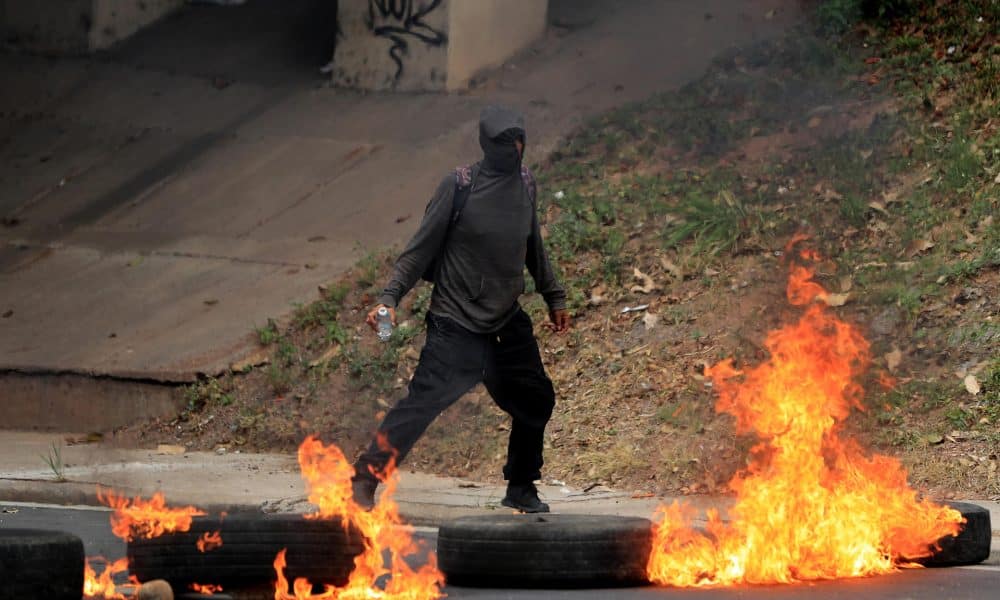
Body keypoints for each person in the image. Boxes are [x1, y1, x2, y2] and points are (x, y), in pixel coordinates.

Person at [351, 105, 570, 513]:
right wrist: (389, 298)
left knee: (536, 398)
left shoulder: (526, 184)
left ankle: (521, 486)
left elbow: (531, 247)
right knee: (423, 403)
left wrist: (553, 295)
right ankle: (366, 478)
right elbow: (419, 250)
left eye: (520, 140)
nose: (516, 149)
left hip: (506, 321)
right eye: (506, 142)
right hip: (457, 321)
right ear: (487, 146)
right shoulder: (459, 186)